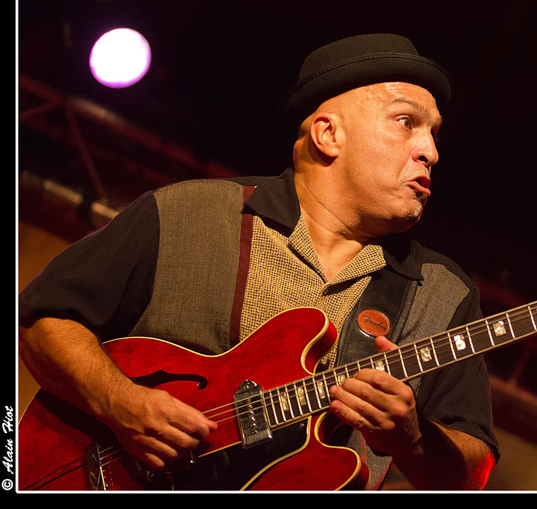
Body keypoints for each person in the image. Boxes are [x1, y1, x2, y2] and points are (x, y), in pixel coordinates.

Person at [18, 33, 499, 490]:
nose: (430, 151)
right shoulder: (188, 211)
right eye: (406, 122)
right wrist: (121, 404)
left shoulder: (444, 292)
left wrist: (413, 438)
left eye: (434, 134)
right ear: (328, 134)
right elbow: (42, 319)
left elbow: (472, 473)